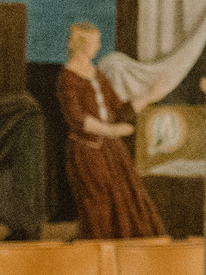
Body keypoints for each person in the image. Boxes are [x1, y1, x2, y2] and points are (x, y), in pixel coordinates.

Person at [59, 21, 170, 239]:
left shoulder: (98, 75)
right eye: (95, 42)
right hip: (87, 152)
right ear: (81, 44)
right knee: (98, 206)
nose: (99, 46)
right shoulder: (68, 78)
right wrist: (110, 131)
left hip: (110, 153)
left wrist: (149, 97)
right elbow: (77, 119)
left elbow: (118, 110)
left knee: (128, 203)